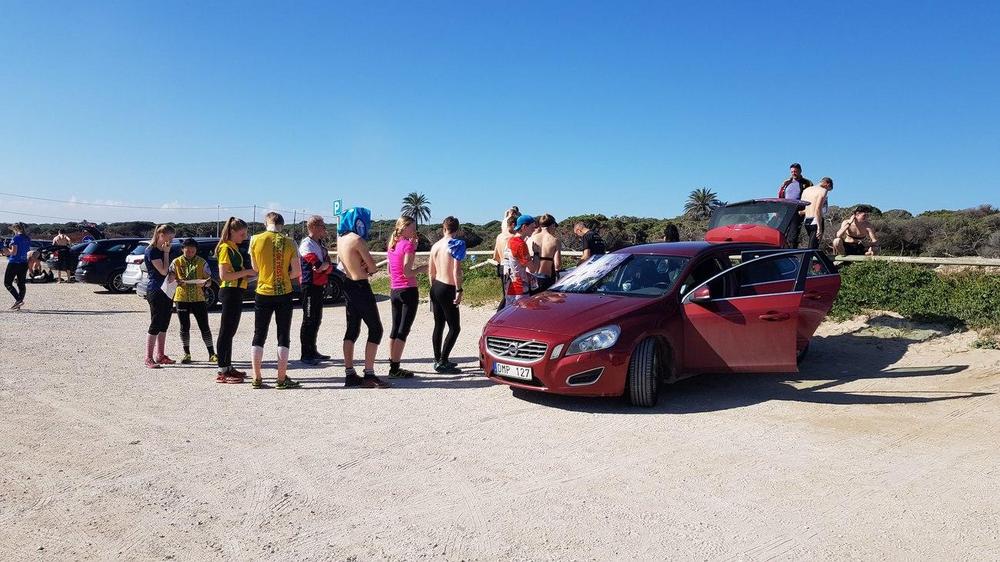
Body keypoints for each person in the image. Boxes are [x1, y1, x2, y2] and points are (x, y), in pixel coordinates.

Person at [337, 207, 390, 388]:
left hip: (348, 284)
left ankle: (349, 373)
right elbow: (372, 267)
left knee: (352, 330)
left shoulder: (341, 240)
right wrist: (368, 267)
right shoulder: (358, 240)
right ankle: (369, 373)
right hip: (360, 285)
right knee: (376, 329)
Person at [249, 212, 302, 389]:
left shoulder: (255, 239)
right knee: (283, 335)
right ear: (282, 225)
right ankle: (281, 378)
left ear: (266, 223)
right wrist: (284, 275)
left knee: (259, 334)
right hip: (284, 292)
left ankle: (256, 377)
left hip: (263, 291)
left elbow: (255, 268)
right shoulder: (290, 242)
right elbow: (296, 272)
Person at [386, 215, 427, 378]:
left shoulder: (392, 245)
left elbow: (390, 270)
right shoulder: (407, 245)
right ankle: (395, 369)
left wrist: (413, 247)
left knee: (395, 328)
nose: (415, 230)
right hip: (408, 290)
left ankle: (392, 362)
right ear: (404, 228)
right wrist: (423, 268)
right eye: (412, 227)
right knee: (403, 330)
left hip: (394, 290)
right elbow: (408, 272)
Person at [215, 217, 254, 384]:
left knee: (230, 331)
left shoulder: (233, 247)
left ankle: (228, 366)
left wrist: (251, 274)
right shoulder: (225, 248)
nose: (244, 237)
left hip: (236, 291)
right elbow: (224, 275)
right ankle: (222, 370)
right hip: (229, 291)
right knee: (226, 331)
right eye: (242, 234)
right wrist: (247, 272)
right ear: (231, 232)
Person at [428, 217, 466, 374]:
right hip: (448, 287)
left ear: (444, 228)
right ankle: (443, 361)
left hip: (436, 286)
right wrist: (459, 290)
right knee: (455, 328)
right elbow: (456, 270)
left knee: (439, 325)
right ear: (457, 229)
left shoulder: (435, 246)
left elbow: (431, 272)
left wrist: (433, 289)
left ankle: (437, 358)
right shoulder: (457, 244)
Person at [171, 238, 217, 365]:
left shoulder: (202, 262)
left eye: (193, 251)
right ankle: (186, 353)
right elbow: (170, 279)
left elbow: (209, 281)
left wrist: (206, 283)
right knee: (184, 326)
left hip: (198, 298)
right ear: (182, 250)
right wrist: (174, 280)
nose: (190, 253)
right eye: (187, 251)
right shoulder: (176, 262)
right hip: (181, 298)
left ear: (196, 250)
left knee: (204, 326)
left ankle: (212, 354)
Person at [298, 215, 333, 366]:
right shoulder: (306, 244)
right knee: (309, 319)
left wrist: (324, 267)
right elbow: (318, 266)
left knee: (317, 318)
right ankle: (305, 354)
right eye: (321, 226)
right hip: (309, 285)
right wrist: (323, 266)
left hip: (320, 285)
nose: (324, 229)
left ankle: (313, 350)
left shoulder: (320, 244)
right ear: (312, 227)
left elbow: (328, 266)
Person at [143, 224, 176, 368]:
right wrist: (166, 253)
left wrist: (173, 274)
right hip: (156, 290)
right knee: (156, 323)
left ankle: (160, 354)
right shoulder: (152, 251)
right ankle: (148, 357)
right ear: (160, 235)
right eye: (169, 238)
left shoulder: (165, 250)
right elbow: (163, 271)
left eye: (172, 239)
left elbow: (170, 269)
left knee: (164, 323)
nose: (170, 242)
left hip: (167, 290)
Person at [505, 215, 540, 307]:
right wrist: (536, 253)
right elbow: (533, 269)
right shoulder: (521, 244)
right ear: (524, 227)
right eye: (532, 227)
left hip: (511, 283)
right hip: (521, 286)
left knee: (509, 310)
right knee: (521, 311)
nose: (534, 230)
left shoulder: (511, 240)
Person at [777, 163, 814, 247]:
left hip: (798, 211)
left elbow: (812, 197)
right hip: (785, 210)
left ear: (800, 171)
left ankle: (792, 250)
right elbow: (780, 196)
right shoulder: (786, 183)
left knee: (793, 234)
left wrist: (806, 210)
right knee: (781, 232)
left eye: (795, 171)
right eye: (792, 172)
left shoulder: (807, 183)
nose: (793, 173)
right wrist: (778, 210)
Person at [493, 207, 521, 311]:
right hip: (510, 267)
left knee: (505, 294)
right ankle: (501, 313)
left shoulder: (499, 236)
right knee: (510, 295)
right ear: (513, 225)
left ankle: (502, 313)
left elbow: (495, 256)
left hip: (501, 266)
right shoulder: (513, 238)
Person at [2, 223, 31, 310]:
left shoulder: (16, 238)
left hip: (14, 262)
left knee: (7, 283)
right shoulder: (27, 238)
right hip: (24, 263)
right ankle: (19, 303)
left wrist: (6, 249)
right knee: (21, 284)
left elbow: (13, 252)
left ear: (15, 229)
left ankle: (18, 300)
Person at [531, 214, 562, 293]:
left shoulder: (531, 239)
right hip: (546, 278)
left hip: (531, 277)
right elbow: (557, 265)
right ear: (552, 225)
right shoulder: (555, 241)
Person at [800, 177, 833, 250]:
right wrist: (819, 227)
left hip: (807, 220)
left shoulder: (806, 190)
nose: (827, 191)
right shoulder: (823, 191)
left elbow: (802, 206)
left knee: (811, 245)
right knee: (813, 248)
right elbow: (817, 209)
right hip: (816, 220)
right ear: (827, 184)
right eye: (829, 189)